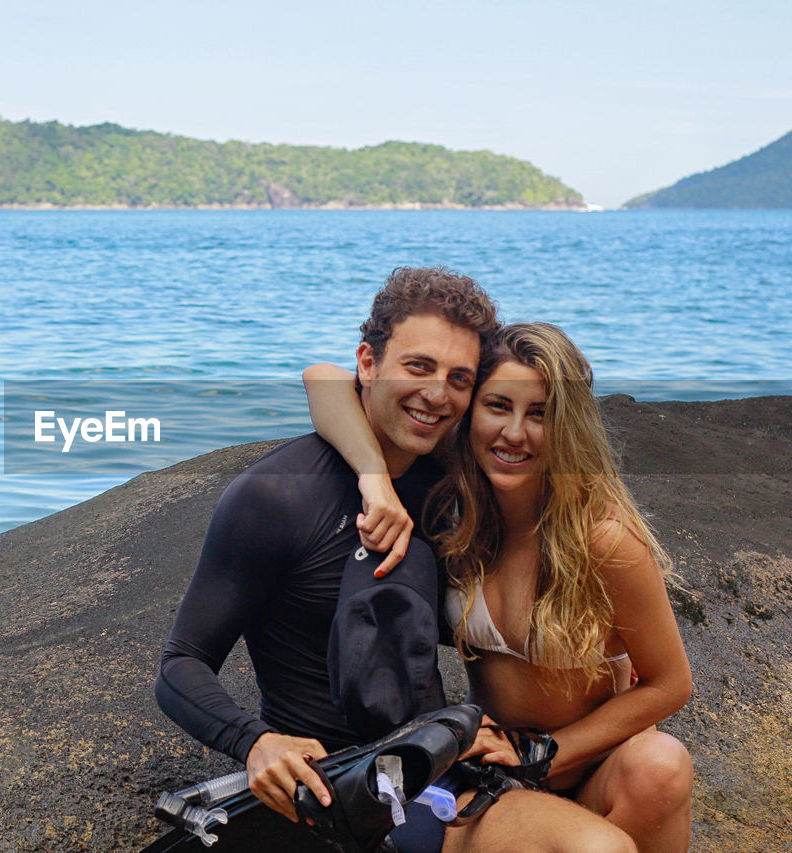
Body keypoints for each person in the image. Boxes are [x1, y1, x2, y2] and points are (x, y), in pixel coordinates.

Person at [157, 268, 640, 853]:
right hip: (335, 785)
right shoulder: (277, 496)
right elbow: (180, 663)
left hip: (439, 768)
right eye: (417, 367)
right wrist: (259, 743)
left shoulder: (452, 481)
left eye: (458, 379)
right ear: (369, 363)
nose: (437, 394)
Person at [305, 322, 693, 852]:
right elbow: (323, 379)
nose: (513, 433)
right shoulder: (456, 509)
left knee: (662, 764)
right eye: (497, 406)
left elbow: (670, 683)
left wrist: (546, 751)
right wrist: (373, 475)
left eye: (539, 414)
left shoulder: (601, 540)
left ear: (568, 425)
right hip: (490, 770)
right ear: (470, 413)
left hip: (596, 765)